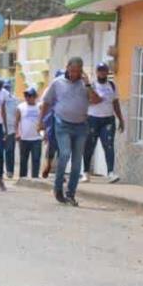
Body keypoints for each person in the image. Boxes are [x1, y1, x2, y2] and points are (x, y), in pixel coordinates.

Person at [40, 57, 91, 206]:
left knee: (76, 162)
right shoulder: (58, 83)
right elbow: (46, 102)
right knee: (65, 153)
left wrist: (87, 83)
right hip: (62, 124)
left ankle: (71, 194)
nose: (74, 74)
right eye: (72, 70)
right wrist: (40, 122)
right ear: (67, 68)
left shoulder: (85, 84)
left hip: (81, 126)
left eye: (77, 71)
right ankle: (58, 188)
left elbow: (94, 100)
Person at [83, 62, 124, 183]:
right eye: (100, 70)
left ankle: (110, 172)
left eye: (104, 70)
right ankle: (86, 172)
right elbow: (88, 100)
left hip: (108, 119)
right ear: (96, 72)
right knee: (89, 146)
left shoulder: (112, 85)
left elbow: (115, 103)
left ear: (107, 72)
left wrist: (120, 118)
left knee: (109, 145)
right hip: (93, 119)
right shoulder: (92, 85)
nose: (102, 72)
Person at [16, 87, 43, 179]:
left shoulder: (40, 106)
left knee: (36, 159)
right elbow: (17, 121)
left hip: (36, 138)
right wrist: (17, 133)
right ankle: (23, 178)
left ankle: (35, 177)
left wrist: (44, 131)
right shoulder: (21, 107)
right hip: (24, 138)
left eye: (30, 95)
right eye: (26, 95)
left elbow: (43, 119)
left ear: (35, 96)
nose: (27, 97)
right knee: (23, 159)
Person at [3, 81, 19, 179]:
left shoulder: (15, 100)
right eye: (5, 88)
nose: (6, 90)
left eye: (8, 88)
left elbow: (18, 114)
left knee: (10, 150)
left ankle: (10, 171)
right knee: (0, 151)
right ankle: (0, 170)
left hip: (11, 129)